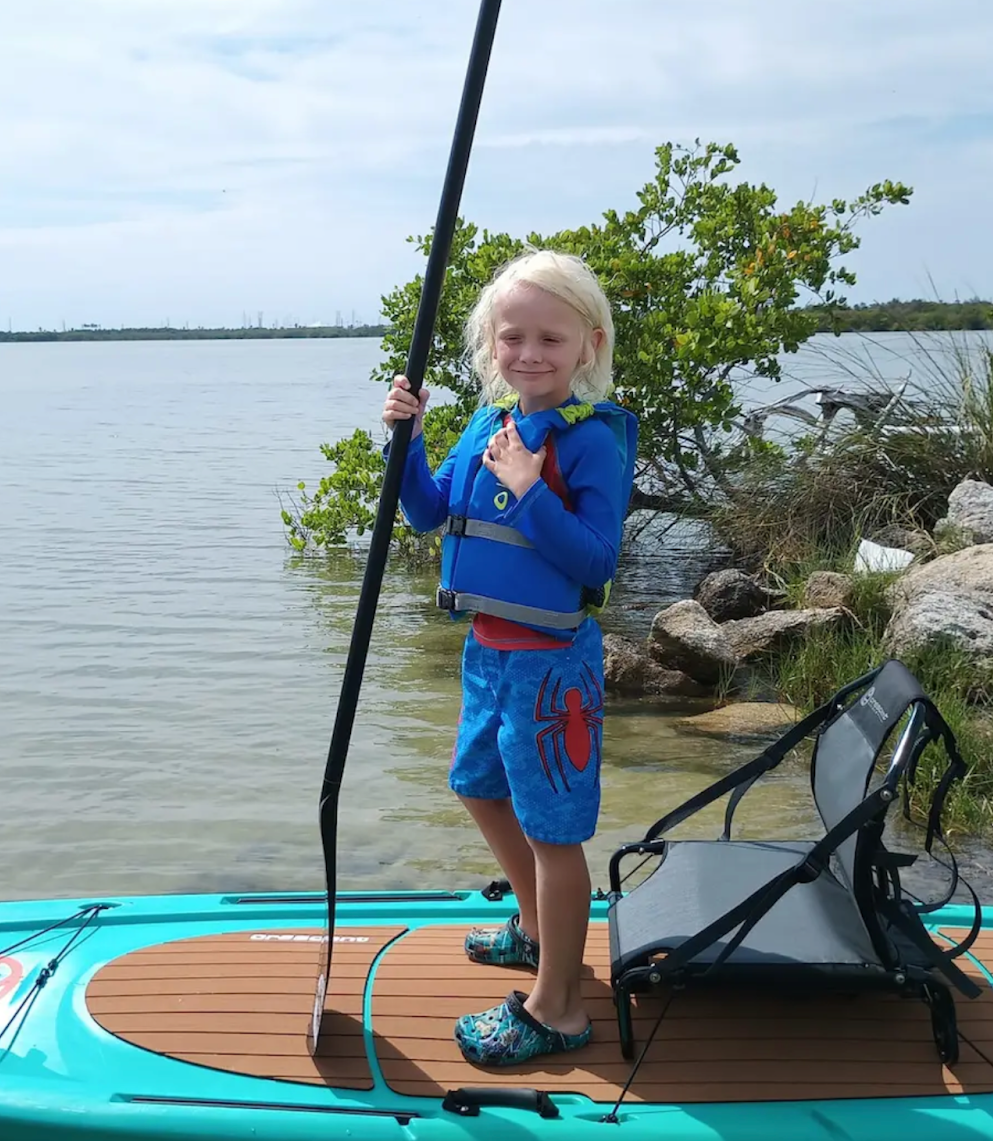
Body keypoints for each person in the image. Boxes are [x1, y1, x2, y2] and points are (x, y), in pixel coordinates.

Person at [381, 248, 637, 1067]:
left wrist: (531, 489)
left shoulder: (591, 442)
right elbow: (427, 513)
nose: (528, 354)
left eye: (550, 340)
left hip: (551, 666)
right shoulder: (486, 426)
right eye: (512, 336)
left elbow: (596, 561)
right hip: (487, 650)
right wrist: (407, 440)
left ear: (587, 345)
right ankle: (535, 931)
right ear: (491, 343)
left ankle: (558, 1004)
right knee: (477, 787)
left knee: (554, 832)